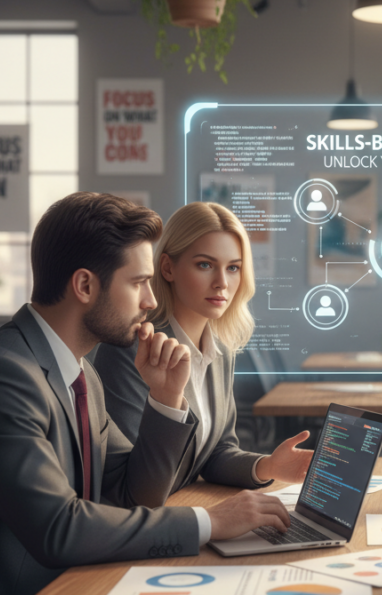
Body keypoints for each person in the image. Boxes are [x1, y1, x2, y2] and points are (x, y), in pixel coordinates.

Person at [0, 193, 291, 595]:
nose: (151, 302)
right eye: (138, 282)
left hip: (69, 588)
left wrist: (165, 398)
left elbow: (134, 494)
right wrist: (208, 522)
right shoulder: (0, 377)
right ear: (85, 286)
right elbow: (58, 530)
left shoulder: (82, 376)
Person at [93, 202, 313, 496]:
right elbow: (136, 483)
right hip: (148, 524)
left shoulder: (221, 348)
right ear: (168, 268)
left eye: (233, 268)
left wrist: (269, 466)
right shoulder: (136, 348)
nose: (222, 283)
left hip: (188, 505)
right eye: (205, 265)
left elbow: (217, 451)